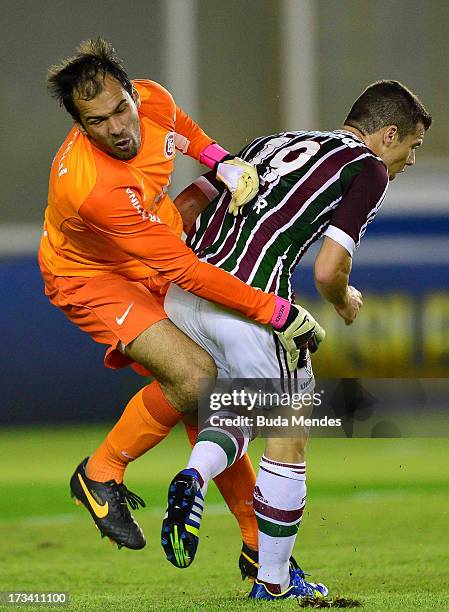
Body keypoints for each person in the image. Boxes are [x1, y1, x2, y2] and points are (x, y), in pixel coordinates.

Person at [38, 37, 322, 569]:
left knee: (203, 390)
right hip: (90, 275)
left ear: (133, 92)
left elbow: (183, 131)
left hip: (146, 236)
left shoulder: (154, 99)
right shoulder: (91, 187)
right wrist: (274, 311)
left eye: (122, 108)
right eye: (98, 122)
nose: (118, 128)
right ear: (80, 128)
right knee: (196, 379)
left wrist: (219, 160)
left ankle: (255, 543)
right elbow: (183, 269)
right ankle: (101, 471)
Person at [161, 80, 432, 600]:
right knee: (290, 425)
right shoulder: (368, 169)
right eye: (413, 146)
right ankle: (275, 581)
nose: (411, 160)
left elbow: (193, 199)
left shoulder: (276, 142)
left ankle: (194, 478)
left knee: (250, 410)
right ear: (389, 134)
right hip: (244, 302)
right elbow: (329, 269)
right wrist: (344, 298)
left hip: (186, 289)